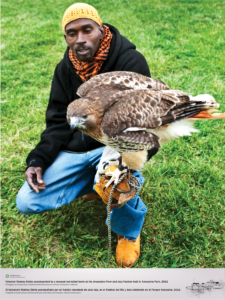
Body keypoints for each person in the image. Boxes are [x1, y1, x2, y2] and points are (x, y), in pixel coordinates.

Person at [16, 3, 154, 268]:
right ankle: (93, 181)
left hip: (120, 143)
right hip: (79, 146)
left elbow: (143, 122)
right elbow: (57, 121)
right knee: (26, 201)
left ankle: (128, 231)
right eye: (71, 33)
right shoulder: (65, 69)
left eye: (87, 30)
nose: (79, 39)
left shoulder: (129, 62)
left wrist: (123, 161)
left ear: (100, 30)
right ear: (66, 38)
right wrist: (38, 160)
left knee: (116, 180)